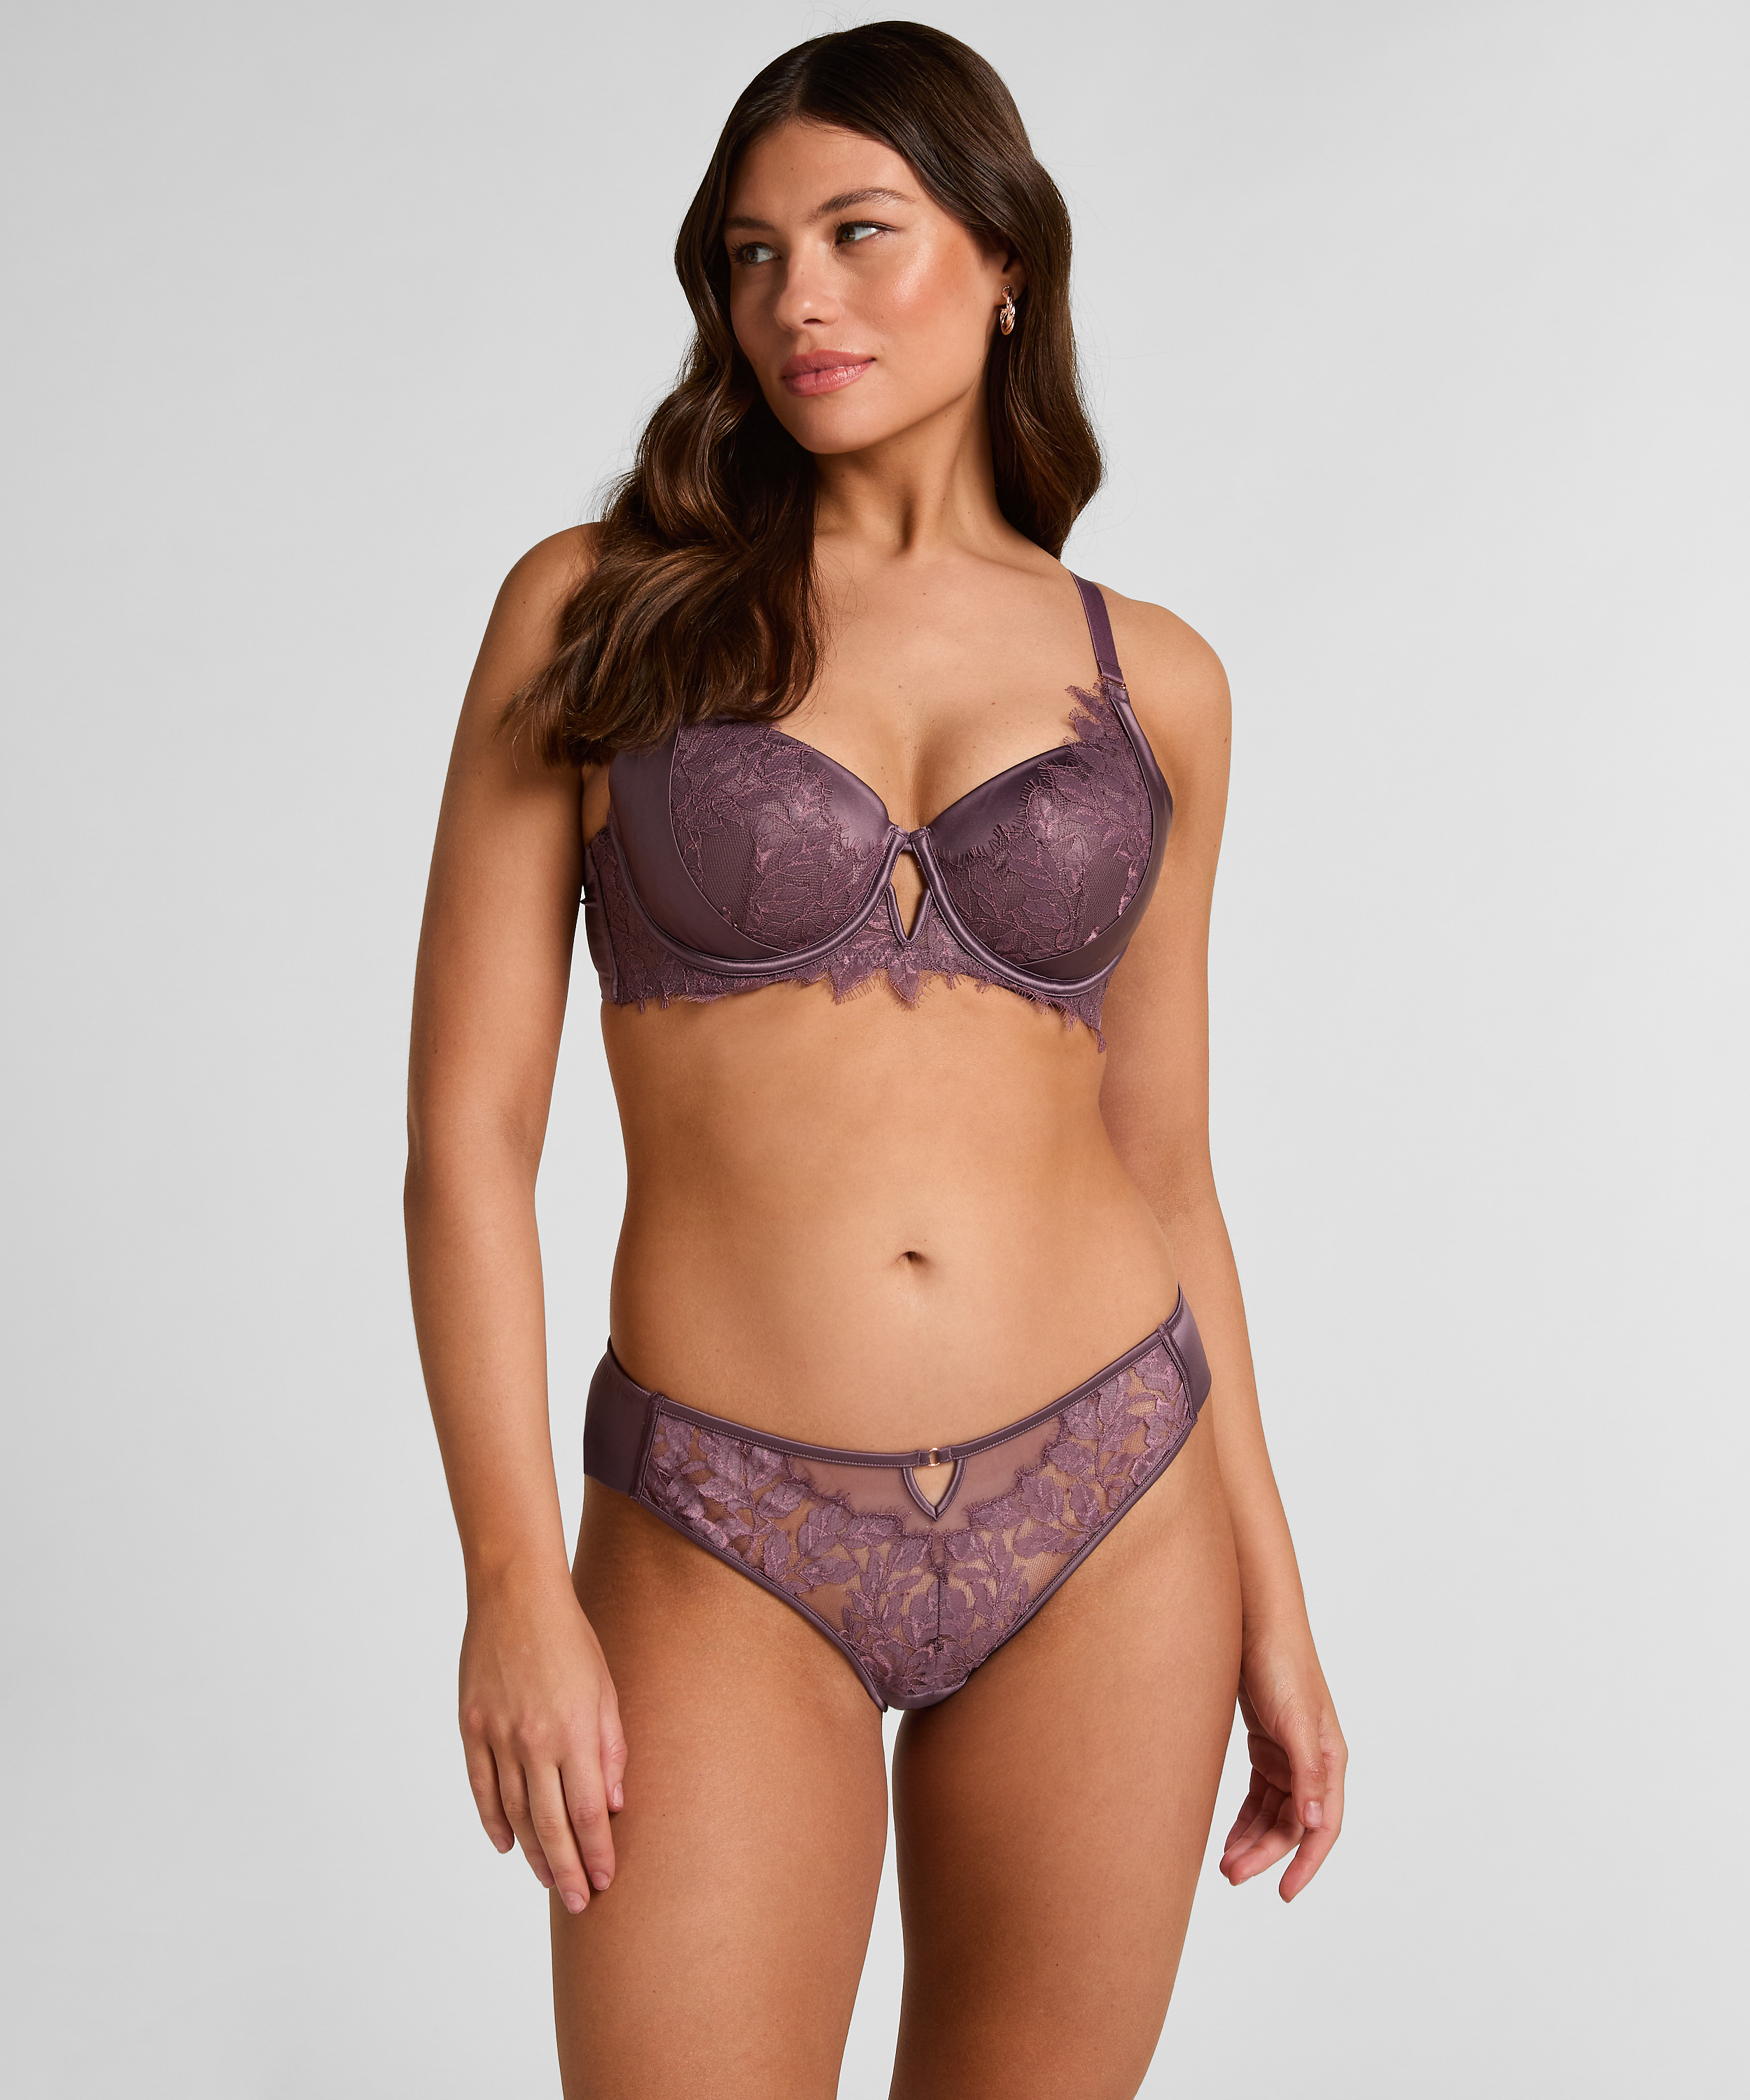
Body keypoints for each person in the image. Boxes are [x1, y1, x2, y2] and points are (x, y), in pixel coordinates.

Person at [405, 21, 1345, 2096]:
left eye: (857, 235)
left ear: (1004, 260)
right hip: (717, 1518)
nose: (796, 303)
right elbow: (468, 1137)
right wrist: (511, 1583)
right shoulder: (595, 614)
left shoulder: (1157, 681)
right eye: (751, 257)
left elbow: (1166, 1167)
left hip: (1113, 1505)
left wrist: (1276, 1607)